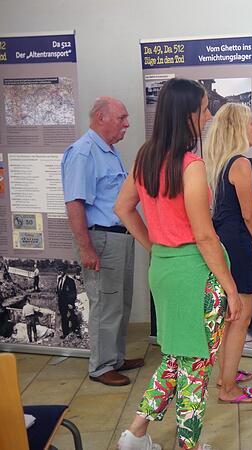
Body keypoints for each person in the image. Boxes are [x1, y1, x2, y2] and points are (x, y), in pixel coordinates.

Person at [114, 78, 243, 450]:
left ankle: (135, 434)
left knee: (179, 358)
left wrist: (155, 245)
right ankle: (187, 446)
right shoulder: (191, 166)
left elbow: (122, 208)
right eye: (203, 109)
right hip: (197, 278)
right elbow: (204, 236)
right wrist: (231, 288)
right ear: (186, 114)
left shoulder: (144, 158)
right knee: (197, 368)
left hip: (165, 273)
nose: (208, 116)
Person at [61, 96, 141, 387]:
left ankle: (115, 358)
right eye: (122, 118)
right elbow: (74, 203)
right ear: (100, 118)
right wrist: (85, 247)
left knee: (120, 301)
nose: (127, 123)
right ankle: (101, 367)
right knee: (105, 303)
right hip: (101, 238)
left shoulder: (109, 150)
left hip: (119, 236)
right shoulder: (83, 153)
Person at [205, 102, 252, 404]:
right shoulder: (240, 163)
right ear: (239, 128)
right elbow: (250, 215)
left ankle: (225, 374)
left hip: (222, 245)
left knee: (231, 316)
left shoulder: (218, 162)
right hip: (238, 246)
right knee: (242, 315)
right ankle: (228, 388)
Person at [56, 268, 79, 339]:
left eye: (61, 270)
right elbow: (59, 291)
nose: (60, 272)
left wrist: (71, 303)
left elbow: (73, 293)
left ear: (64, 271)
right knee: (64, 317)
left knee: (72, 316)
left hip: (68, 303)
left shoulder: (70, 281)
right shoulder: (59, 279)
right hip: (61, 303)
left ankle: (76, 331)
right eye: (59, 270)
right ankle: (65, 333)